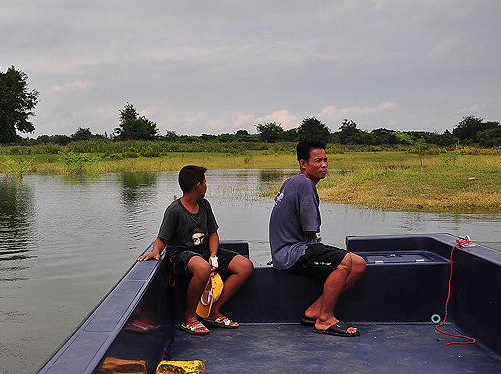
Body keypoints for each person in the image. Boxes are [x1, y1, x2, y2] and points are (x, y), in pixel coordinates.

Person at [138, 165, 253, 335]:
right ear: (198, 186)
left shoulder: (204, 205)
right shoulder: (174, 210)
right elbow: (163, 238)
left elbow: (213, 234)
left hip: (205, 250)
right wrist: (156, 252)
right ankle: (189, 317)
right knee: (202, 268)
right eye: (205, 183)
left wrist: (213, 255)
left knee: (245, 266)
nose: (206, 186)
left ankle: (213, 312)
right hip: (181, 254)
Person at [269, 140, 366, 337]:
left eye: (326, 160)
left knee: (359, 264)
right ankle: (324, 319)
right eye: (318, 160)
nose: (324, 165)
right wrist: (317, 241)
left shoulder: (292, 181)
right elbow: (310, 229)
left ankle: (314, 310)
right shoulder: (305, 183)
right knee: (345, 261)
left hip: (286, 250)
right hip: (293, 252)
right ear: (303, 164)